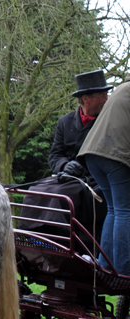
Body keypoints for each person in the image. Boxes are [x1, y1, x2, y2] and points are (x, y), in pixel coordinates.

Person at [19, 70, 111, 243]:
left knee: (61, 197)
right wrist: (64, 166)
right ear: (86, 98)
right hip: (66, 176)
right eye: (102, 95)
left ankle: (59, 241)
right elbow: (55, 154)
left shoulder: (107, 122)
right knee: (34, 191)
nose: (106, 99)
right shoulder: (65, 121)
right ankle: (31, 237)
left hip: (93, 179)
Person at [78, 78, 130, 276]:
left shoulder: (123, 89)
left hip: (92, 154)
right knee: (125, 210)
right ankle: (125, 271)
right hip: (114, 155)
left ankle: (105, 266)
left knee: (114, 209)